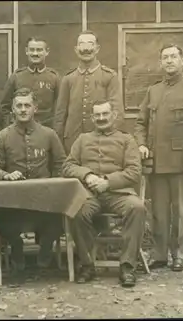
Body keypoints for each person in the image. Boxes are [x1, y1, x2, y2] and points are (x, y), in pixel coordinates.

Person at [134, 44, 183, 272]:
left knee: (180, 212)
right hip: (156, 163)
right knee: (158, 212)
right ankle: (159, 255)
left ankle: (179, 255)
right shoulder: (153, 91)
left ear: (182, 61)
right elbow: (140, 123)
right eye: (165, 57)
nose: (169, 61)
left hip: (180, 164)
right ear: (160, 62)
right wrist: (141, 144)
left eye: (173, 57)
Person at [62, 100, 146, 287]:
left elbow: (133, 171)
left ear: (113, 115)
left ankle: (127, 266)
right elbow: (68, 166)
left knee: (137, 208)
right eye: (97, 115)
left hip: (118, 193)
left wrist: (107, 182)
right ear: (92, 117)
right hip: (89, 194)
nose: (101, 118)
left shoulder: (126, 140)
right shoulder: (82, 139)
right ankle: (87, 264)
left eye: (105, 114)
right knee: (77, 211)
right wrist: (88, 175)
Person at [0, 88, 66, 277]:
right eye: (19, 106)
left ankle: (46, 248)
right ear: (13, 110)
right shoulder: (2, 137)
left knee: (59, 218)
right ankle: (16, 248)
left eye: (27, 105)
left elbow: (61, 163)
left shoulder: (49, 135)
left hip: (43, 201)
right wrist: (5, 175)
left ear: (35, 109)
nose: (23, 110)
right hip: (13, 202)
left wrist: (54, 183)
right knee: (1, 221)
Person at [53, 30, 124, 153]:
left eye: (90, 44)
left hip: (102, 142)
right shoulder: (68, 79)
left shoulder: (109, 76)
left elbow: (117, 112)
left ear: (97, 49)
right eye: (82, 44)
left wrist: (110, 138)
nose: (86, 49)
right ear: (76, 49)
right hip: (72, 142)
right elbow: (60, 115)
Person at [1, 37, 60, 128]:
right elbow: (4, 107)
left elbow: (60, 108)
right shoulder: (16, 77)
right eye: (32, 50)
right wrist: (11, 125)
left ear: (47, 52)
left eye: (39, 50)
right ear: (26, 51)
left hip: (47, 129)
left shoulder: (54, 78)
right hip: (20, 129)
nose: (35, 53)